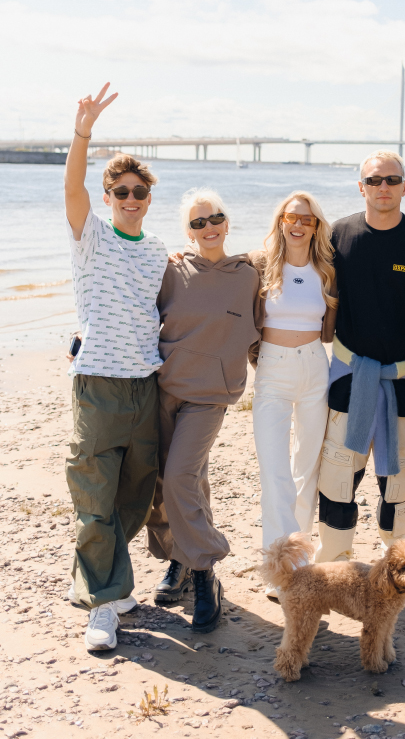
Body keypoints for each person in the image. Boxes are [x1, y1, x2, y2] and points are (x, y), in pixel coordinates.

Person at [315, 150, 405, 562]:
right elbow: (289, 268)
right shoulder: (337, 236)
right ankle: (333, 562)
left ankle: (398, 561)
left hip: (404, 380)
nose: (383, 188)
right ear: (361, 187)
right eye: (375, 181)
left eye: (392, 180)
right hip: (349, 375)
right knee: (339, 479)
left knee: (399, 484)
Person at [64, 84, 168, 651]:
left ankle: (107, 576)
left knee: (135, 493)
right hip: (98, 386)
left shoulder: (157, 251)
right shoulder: (91, 238)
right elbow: (72, 187)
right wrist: (83, 131)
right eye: (121, 191)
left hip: (144, 387)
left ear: (149, 198)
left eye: (139, 191)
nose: (130, 198)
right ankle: (103, 603)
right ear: (109, 196)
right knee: (94, 494)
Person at [146, 189, 263, 631]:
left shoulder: (249, 275)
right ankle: (177, 559)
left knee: (179, 476)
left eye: (215, 218)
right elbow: (137, 313)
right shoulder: (171, 270)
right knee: (168, 479)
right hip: (162, 389)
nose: (208, 227)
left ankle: (204, 570)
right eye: (197, 222)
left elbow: (265, 330)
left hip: (210, 395)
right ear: (187, 232)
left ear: (227, 223)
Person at [250, 191, 337, 599]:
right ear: (281, 221)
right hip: (272, 369)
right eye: (291, 217)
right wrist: (183, 255)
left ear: (316, 226)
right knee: (274, 469)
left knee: (307, 466)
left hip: (314, 366)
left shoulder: (327, 270)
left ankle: (299, 563)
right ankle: (277, 564)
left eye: (307, 219)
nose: (298, 224)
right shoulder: (260, 264)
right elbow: (216, 270)